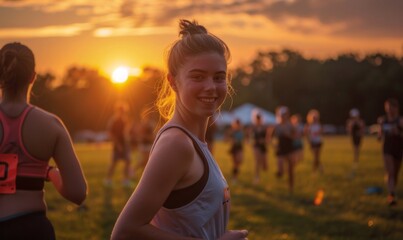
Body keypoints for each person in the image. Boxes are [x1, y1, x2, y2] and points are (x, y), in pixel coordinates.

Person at [111, 19, 248, 240]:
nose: (210, 87)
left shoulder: (192, 141)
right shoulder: (177, 143)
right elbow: (125, 232)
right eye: (197, 76)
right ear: (173, 82)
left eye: (219, 77)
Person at [0, 42, 87, 239]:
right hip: (32, 228)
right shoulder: (51, 125)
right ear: (33, 77)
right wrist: (50, 172)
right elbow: (78, 193)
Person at [377, 98, 403, 206]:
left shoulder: (400, 121)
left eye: (391, 107)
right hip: (387, 148)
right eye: (387, 108)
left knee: (395, 173)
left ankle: (392, 191)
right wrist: (380, 133)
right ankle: (391, 195)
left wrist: (397, 132)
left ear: (396, 108)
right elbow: (379, 137)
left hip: (399, 148)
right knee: (391, 172)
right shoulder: (383, 120)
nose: (389, 110)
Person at [104, 101, 132, 187]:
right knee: (114, 163)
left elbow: (125, 133)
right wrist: (118, 145)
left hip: (124, 144)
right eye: (122, 111)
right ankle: (108, 180)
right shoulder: (114, 121)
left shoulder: (124, 120)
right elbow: (111, 134)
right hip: (118, 145)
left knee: (127, 161)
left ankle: (125, 180)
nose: (123, 112)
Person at [269, 106, 296, 193]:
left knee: (290, 169)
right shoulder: (276, 126)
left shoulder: (290, 126)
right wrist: (273, 146)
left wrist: (288, 135)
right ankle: (279, 174)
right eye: (282, 115)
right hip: (280, 149)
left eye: (285, 114)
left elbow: (296, 136)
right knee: (280, 170)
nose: (283, 116)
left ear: (287, 115)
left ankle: (291, 187)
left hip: (289, 148)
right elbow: (269, 137)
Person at [250, 111, 269, 184]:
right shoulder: (253, 127)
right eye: (257, 118)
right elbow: (251, 138)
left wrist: (264, 140)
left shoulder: (264, 127)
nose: (258, 119)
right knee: (257, 161)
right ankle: (256, 177)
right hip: (256, 146)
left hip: (263, 146)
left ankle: (259, 174)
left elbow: (267, 138)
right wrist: (255, 141)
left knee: (265, 166)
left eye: (259, 118)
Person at [346, 108, 365, 173]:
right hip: (354, 137)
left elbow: (362, 129)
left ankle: (356, 160)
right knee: (355, 148)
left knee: (357, 148)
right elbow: (349, 130)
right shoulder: (351, 122)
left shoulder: (360, 121)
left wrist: (360, 133)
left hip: (358, 137)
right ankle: (356, 160)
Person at [305, 109, 324, 174]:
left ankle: (316, 169)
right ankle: (317, 169)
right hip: (312, 142)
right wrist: (309, 142)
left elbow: (321, 133)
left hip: (318, 142)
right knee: (315, 157)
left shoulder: (319, 125)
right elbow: (307, 135)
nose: (315, 119)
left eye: (316, 117)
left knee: (317, 157)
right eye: (313, 118)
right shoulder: (309, 126)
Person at [227, 118, 245, 183]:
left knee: (239, 161)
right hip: (234, 148)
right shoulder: (233, 131)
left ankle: (235, 175)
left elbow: (242, 139)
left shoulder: (241, 131)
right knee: (235, 163)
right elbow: (229, 139)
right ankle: (235, 177)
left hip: (240, 148)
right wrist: (233, 140)